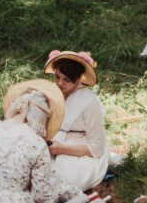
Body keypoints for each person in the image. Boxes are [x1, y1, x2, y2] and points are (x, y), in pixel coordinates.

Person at [43, 49, 110, 194]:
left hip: (78, 146)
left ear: (78, 79)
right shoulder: (51, 93)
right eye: (57, 77)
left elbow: (97, 148)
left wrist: (61, 149)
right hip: (51, 140)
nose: (60, 83)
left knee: (63, 180)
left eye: (66, 80)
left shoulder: (89, 102)